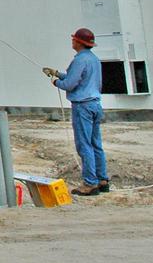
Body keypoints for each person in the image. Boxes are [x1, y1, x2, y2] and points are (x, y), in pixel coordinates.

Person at [47, 27, 109, 196]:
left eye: (74, 39)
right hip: (95, 104)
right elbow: (77, 77)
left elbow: (70, 84)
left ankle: (90, 183)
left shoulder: (79, 60)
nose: (72, 41)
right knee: (96, 144)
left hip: (82, 106)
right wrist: (58, 74)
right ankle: (102, 179)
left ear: (78, 42)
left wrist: (55, 82)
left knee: (84, 145)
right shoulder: (93, 59)